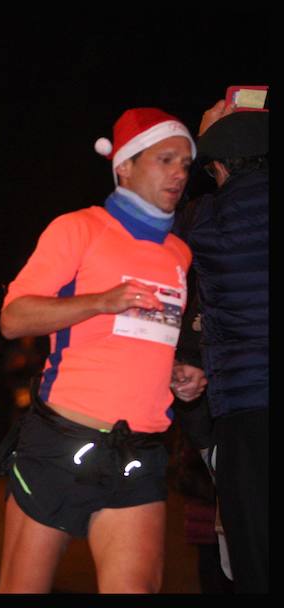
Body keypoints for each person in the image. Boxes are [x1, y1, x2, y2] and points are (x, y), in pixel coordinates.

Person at [0, 108, 204, 593]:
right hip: (61, 444)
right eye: (166, 159)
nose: (179, 173)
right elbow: (13, 318)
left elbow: (138, 337)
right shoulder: (79, 229)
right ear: (125, 166)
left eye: (186, 164)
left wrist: (177, 371)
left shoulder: (179, 253)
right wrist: (100, 302)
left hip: (139, 453)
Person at [172, 104, 268, 593]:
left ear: (221, 165)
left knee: (253, 554)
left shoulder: (206, 216)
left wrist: (204, 138)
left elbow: (161, 216)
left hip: (244, 410)